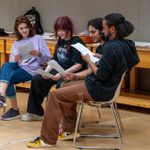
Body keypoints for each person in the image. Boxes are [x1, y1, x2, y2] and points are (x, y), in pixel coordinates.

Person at [27, 13, 140, 148]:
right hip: (106, 87)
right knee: (64, 86)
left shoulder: (111, 47)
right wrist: (99, 61)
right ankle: (70, 130)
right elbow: (131, 61)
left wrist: (88, 60)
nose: (103, 31)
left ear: (112, 29)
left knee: (55, 96)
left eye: (103, 28)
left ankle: (47, 139)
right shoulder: (127, 44)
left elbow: (101, 74)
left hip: (99, 88)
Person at [21, 16, 87, 122]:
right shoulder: (60, 41)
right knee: (37, 79)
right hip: (59, 69)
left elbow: (78, 65)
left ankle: (61, 116)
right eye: (58, 30)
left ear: (69, 28)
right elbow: (55, 60)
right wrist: (46, 72)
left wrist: (61, 74)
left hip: (72, 72)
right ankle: (35, 112)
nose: (60, 32)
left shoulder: (76, 42)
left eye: (63, 29)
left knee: (60, 85)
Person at [0, 16, 51, 120]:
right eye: (21, 28)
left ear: (29, 27)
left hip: (33, 69)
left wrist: (39, 54)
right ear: (17, 30)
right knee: (6, 65)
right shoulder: (16, 43)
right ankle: (2, 94)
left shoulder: (38, 39)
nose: (24, 30)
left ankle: (12, 107)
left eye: (25, 27)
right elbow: (11, 62)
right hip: (21, 67)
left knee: (4, 78)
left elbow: (47, 60)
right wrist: (16, 58)